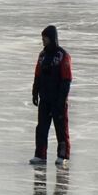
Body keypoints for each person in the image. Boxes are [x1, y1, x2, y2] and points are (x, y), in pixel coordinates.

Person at [30, 24, 71, 166]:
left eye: (45, 38)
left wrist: (62, 99)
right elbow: (37, 74)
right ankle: (40, 155)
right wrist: (35, 92)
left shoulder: (63, 56)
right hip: (45, 99)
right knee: (41, 128)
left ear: (52, 38)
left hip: (58, 99)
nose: (43, 41)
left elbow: (67, 79)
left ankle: (63, 155)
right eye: (42, 38)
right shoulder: (42, 56)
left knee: (61, 129)